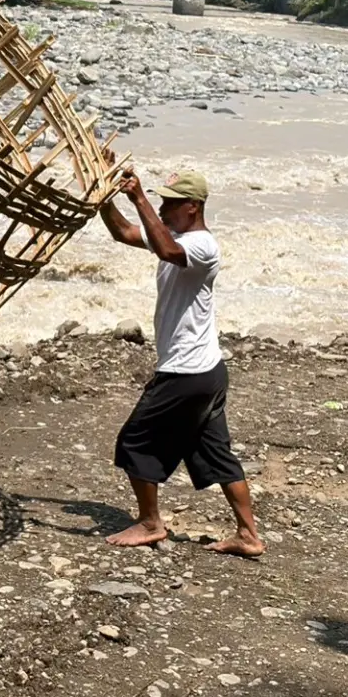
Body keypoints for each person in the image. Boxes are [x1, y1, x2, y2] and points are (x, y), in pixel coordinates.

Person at [98, 168, 264, 558]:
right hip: (207, 370)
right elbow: (124, 233)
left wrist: (138, 199)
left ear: (193, 207)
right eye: (160, 201)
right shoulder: (172, 236)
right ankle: (248, 535)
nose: (162, 207)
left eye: (170, 203)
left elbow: (169, 252)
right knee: (215, 452)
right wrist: (104, 199)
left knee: (134, 440)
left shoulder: (202, 245)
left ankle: (151, 523)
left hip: (186, 371)